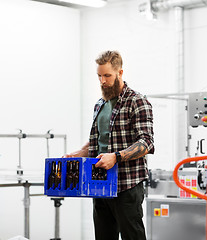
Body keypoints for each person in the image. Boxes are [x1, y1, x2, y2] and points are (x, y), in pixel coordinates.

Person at [65, 50, 154, 240]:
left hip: (127, 185)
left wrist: (116, 157)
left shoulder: (137, 101)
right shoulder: (100, 104)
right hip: (100, 184)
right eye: (99, 76)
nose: (102, 81)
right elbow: (99, 141)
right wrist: (80, 152)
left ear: (120, 73)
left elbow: (146, 142)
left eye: (107, 75)